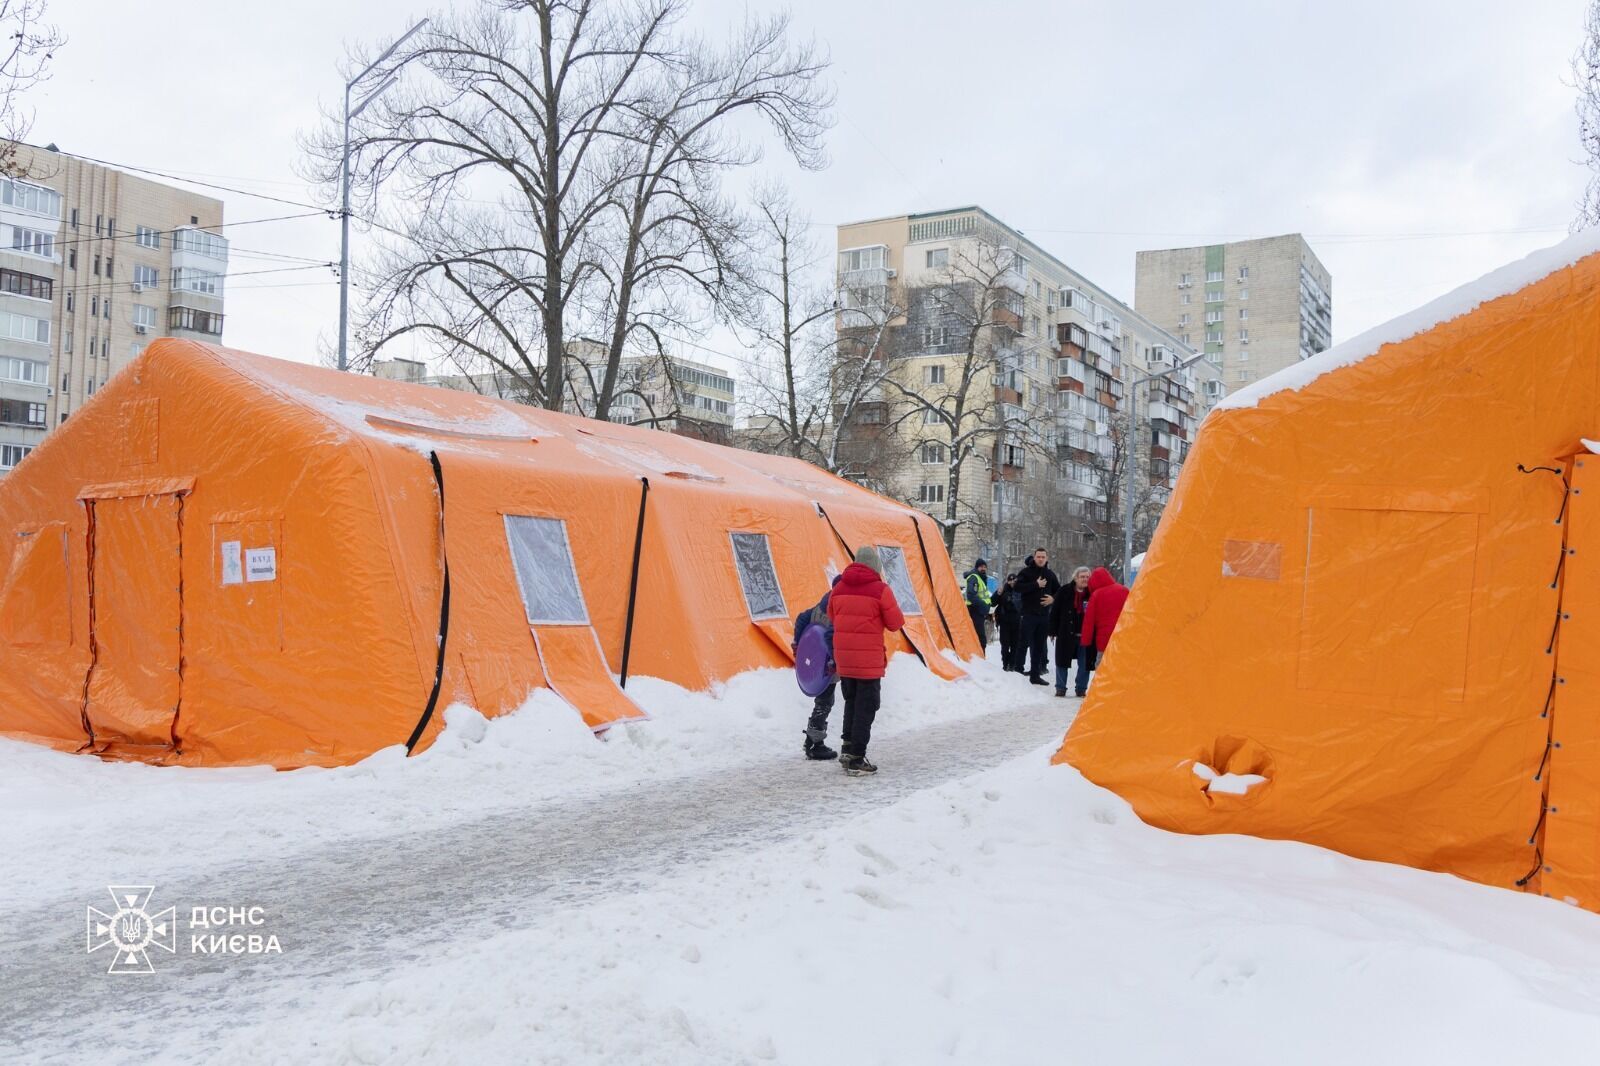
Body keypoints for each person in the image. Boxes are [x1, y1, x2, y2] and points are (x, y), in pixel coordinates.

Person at [828, 545, 906, 776]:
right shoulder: (880, 589)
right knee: (867, 706)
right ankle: (857, 758)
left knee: (851, 702)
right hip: (868, 659)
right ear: (875, 566)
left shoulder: (838, 588)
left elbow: (833, 616)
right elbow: (895, 623)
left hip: (844, 655)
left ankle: (847, 748)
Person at [793, 575, 842, 760]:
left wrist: (798, 642)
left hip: (815, 664)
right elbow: (832, 636)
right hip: (826, 667)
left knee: (824, 701)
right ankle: (814, 743)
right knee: (824, 702)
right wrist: (834, 661)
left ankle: (813, 740)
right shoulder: (835, 609)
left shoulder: (820, 606)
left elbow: (801, 619)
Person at [1078, 566, 1131, 689]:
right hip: (1122, 636)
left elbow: (1088, 621)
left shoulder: (1096, 595)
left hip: (1103, 639)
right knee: (1121, 665)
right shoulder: (1124, 590)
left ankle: (1103, 690)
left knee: (1102, 666)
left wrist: (1085, 641)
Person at [1015, 548, 1061, 685]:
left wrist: (1053, 598)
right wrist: (1036, 584)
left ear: (1046, 558)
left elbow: (1059, 590)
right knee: (1023, 643)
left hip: (1043, 616)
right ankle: (1017, 673)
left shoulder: (1050, 574)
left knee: (1039, 646)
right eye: (1038, 556)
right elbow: (1017, 587)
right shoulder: (1026, 572)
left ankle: (1035, 675)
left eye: (1043, 557)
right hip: (1029, 615)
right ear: (1034, 557)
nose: (1041, 559)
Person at [1050, 566, 1092, 697]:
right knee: (1062, 661)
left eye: (1087, 577)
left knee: (1085, 664)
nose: (1085, 579)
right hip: (1066, 633)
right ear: (1076, 578)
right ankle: (1060, 688)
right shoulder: (1064, 591)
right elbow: (1055, 612)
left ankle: (1081, 688)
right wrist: (1052, 630)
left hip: (1085, 635)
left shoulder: (1092, 593)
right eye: (1082, 577)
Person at [995, 573, 1022, 671]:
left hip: (1017, 622)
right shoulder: (1003, 590)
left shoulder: (1020, 590)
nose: (1012, 582)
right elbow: (993, 602)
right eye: (1010, 580)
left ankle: (1012, 664)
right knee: (1005, 645)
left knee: (1015, 645)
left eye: (1014, 580)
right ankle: (1005, 663)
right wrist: (998, 593)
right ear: (1007, 581)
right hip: (1004, 622)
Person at [963, 558, 993, 647]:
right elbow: (971, 595)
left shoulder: (980, 578)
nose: (983, 569)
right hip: (974, 611)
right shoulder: (974, 577)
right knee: (981, 640)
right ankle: (979, 659)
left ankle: (979, 658)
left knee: (979, 639)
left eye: (985, 567)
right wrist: (984, 605)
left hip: (979, 612)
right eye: (981, 567)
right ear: (977, 567)